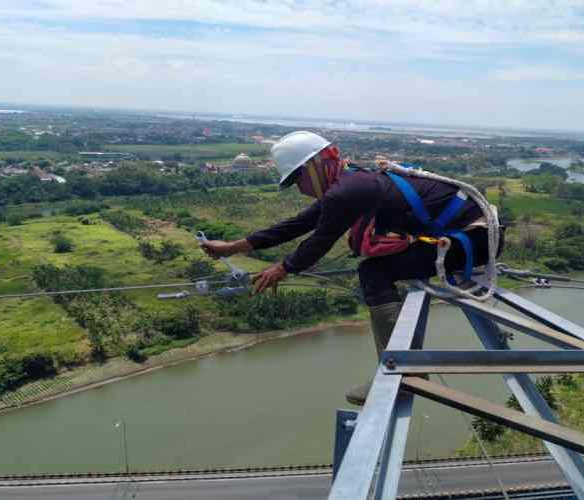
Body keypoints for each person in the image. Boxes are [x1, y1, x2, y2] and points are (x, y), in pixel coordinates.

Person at [200, 131, 501, 405]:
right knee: (378, 266)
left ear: (316, 166)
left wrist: (282, 269)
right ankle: (406, 368)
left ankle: (403, 375)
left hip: (471, 243)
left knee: (374, 271)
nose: (301, 188)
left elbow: (319, 241)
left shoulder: (347, 190)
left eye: (299, 178)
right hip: (473, 237)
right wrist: (234, 247)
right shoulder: (351, 181)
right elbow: (299, 224)